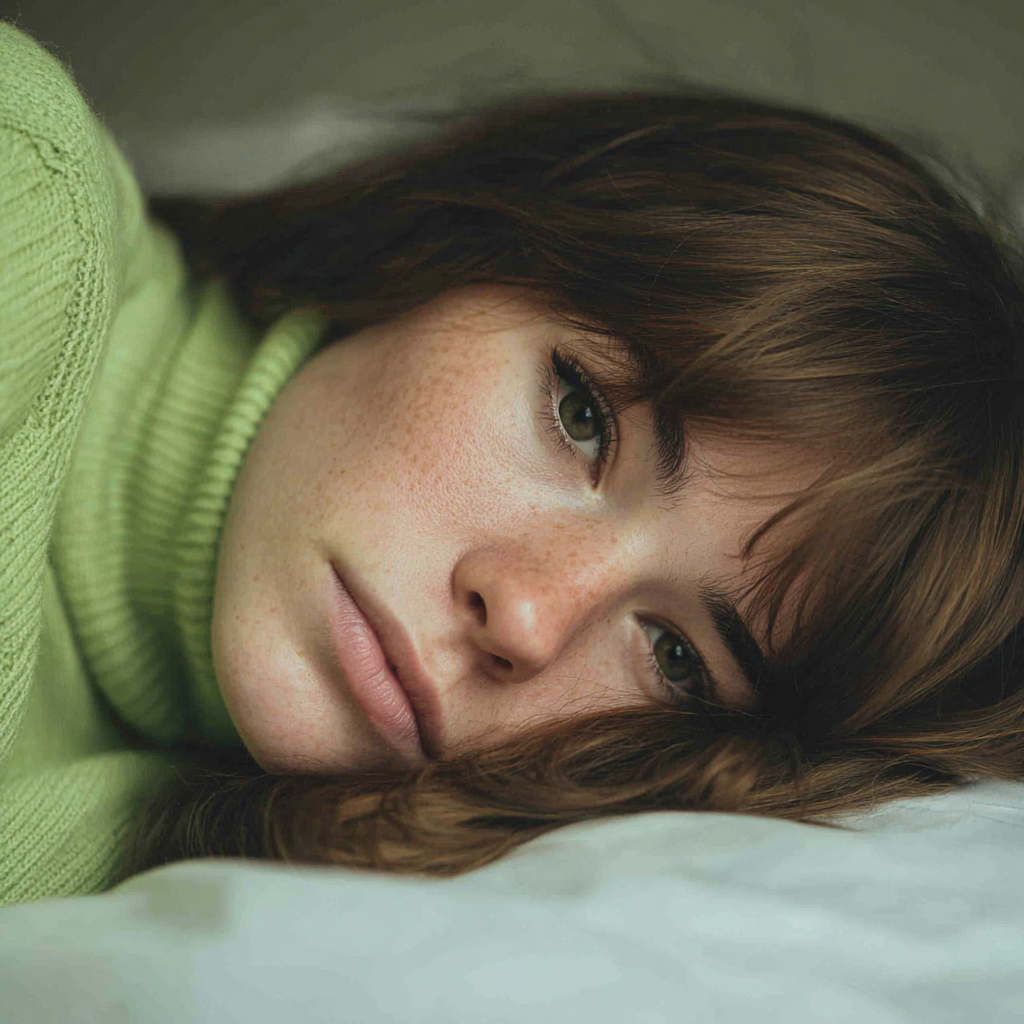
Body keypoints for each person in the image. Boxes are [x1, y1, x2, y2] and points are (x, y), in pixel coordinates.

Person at [1, 21, 1022, 904]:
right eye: (581, 416)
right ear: (458, 241)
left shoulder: (214, 851)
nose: (527, 615)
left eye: (677, 660)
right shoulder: (23, 198)